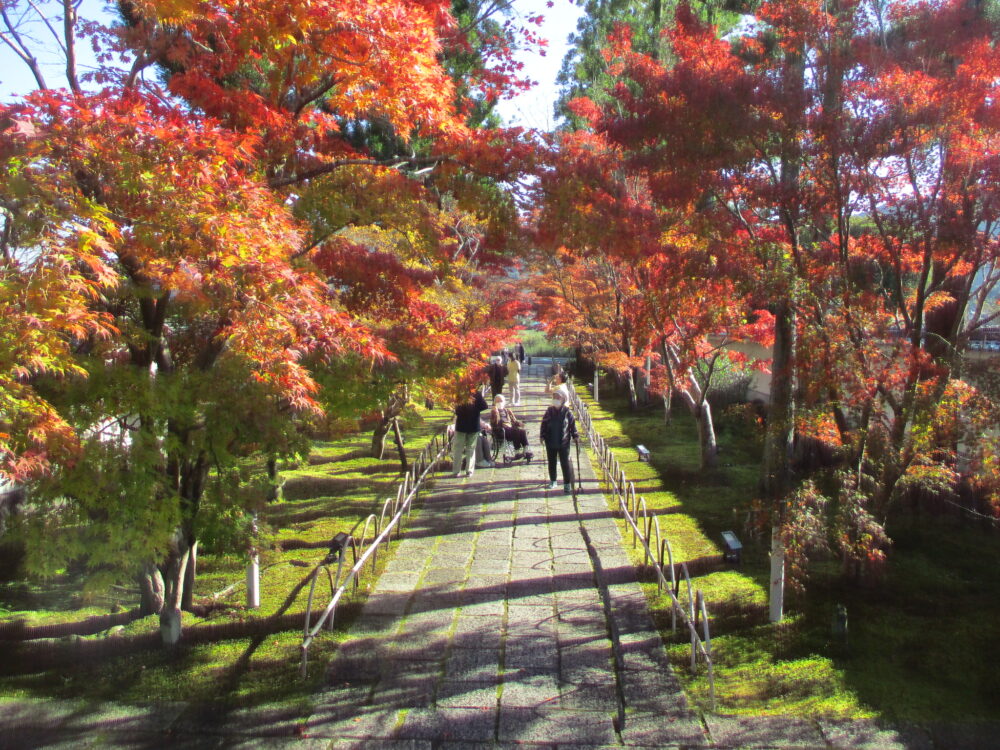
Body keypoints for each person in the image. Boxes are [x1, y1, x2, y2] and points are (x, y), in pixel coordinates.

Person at [540, 390, 578, 493]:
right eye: (554, 397)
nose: (555, 400)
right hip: (550, 440)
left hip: (563, 442)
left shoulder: (567, 412)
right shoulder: (549, 411)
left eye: (558, 398)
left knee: (564, 463)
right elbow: (544, 424)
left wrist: (575, 435)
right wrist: (542, 436)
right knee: (551, 462)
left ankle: (567, 483)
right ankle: (553, 481)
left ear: (563, 399)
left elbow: (572, 426)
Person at [453, 387, 489, 478]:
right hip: (473, 424)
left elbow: (456, 410)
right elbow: (485, 406)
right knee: (471, 449)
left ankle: (456, 471)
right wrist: (475, 409)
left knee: (458, 449)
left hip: (461, 425)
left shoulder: (460, 393)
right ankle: (469, 470)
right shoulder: (477, 394)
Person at [490, 395, 532, 460]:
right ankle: (517, 452)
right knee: (515, 430)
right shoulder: (494, 412)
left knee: (523, 431)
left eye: (501, 401)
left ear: (504, 402)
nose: (499, 403)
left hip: (510, 429)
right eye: (497, 401)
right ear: (494, 403)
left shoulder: (507, 411)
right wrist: (495, 413)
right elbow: (494, 424)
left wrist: (520, 423)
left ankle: (526, 450)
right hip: (501, 431)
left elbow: (514, 421)